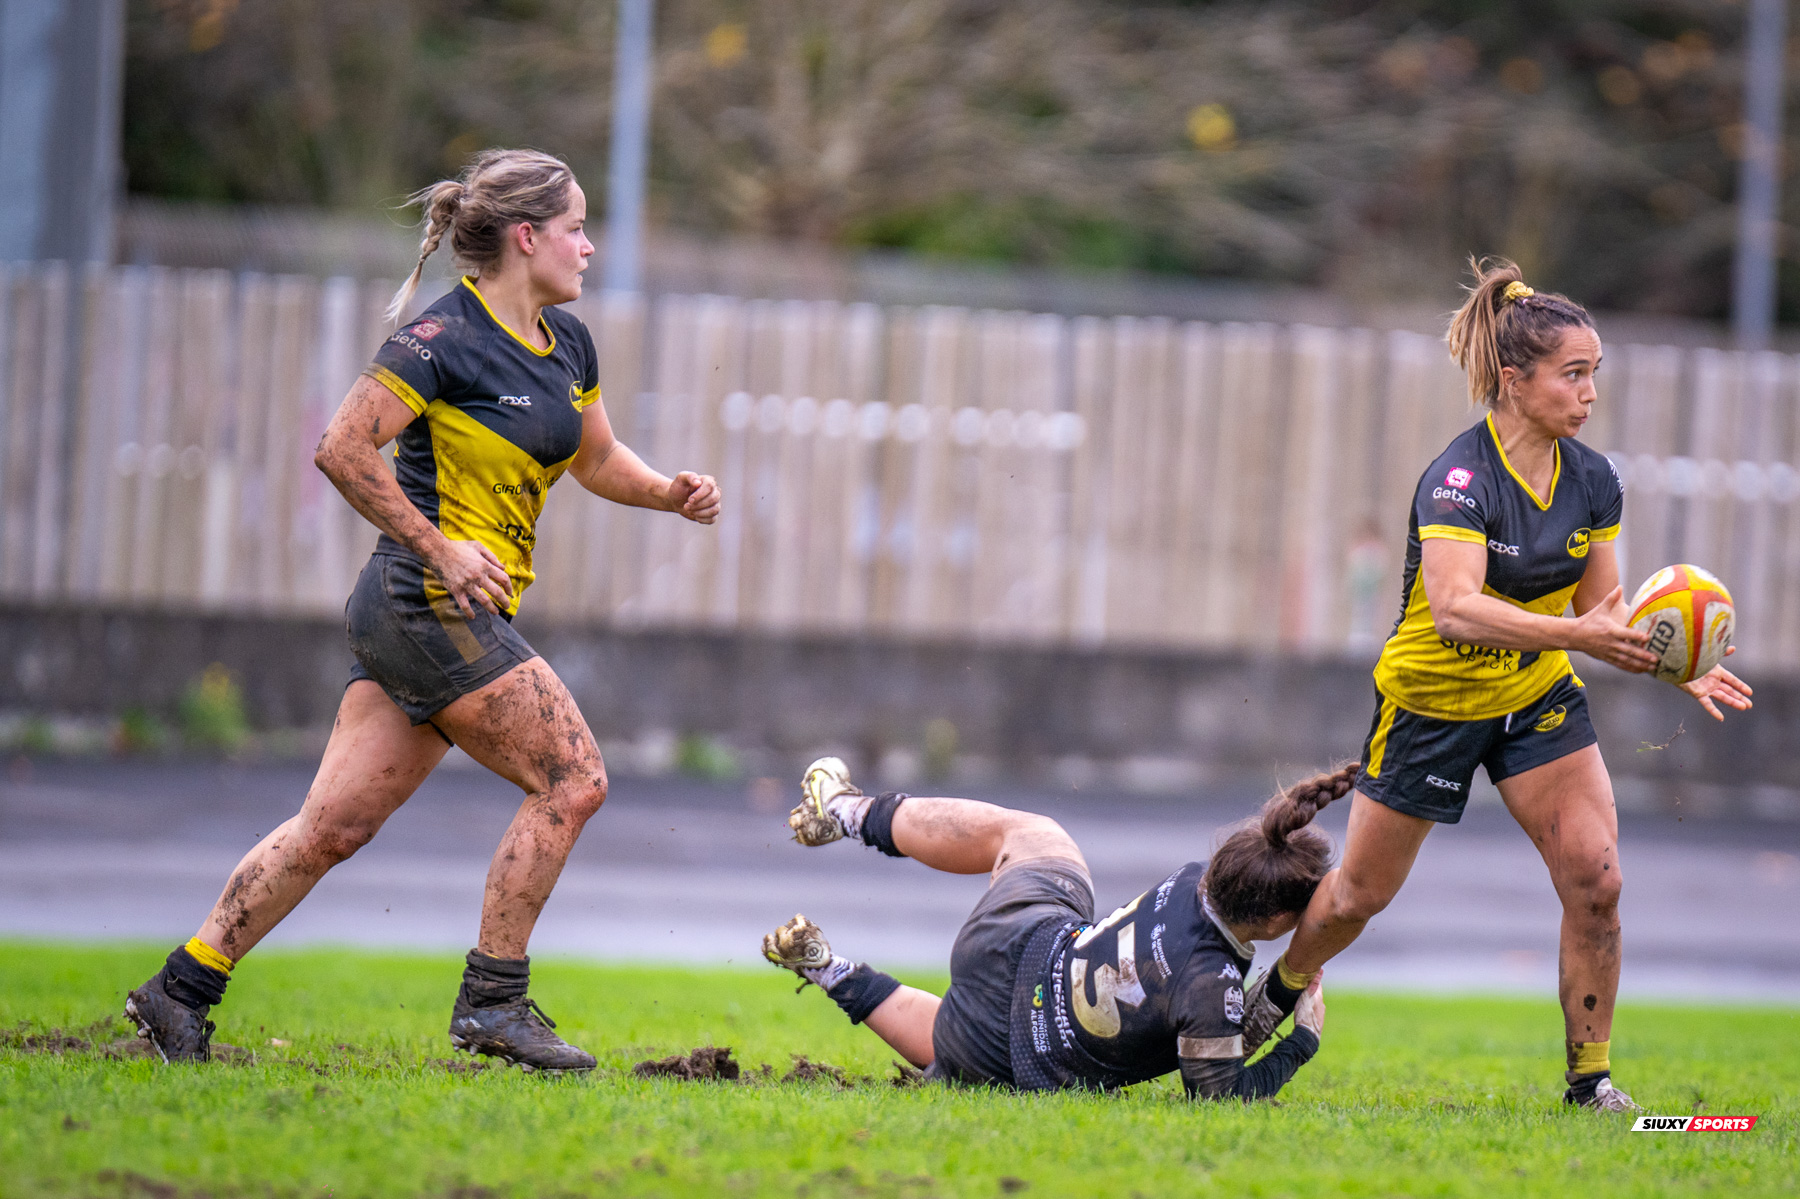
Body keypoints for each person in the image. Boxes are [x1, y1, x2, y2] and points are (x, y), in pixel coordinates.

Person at [124, 149, 722, 1071]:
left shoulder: (569, 345)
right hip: (423, 601)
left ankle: (180, 989)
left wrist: (667, 492)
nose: (590, 248)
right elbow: (341, 446)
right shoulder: (440, 340)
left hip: (426, 614)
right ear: (527, 238)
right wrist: (441, 546)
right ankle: (493, 1001)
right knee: (574, 778)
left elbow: (597, 459)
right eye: (576, 228)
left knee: (332, 827)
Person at [1236, 258, 1753, 1112]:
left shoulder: (1593, 479)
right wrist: (1582, 634)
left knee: (1599, 878)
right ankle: (1283, 986)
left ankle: (1591, 1082)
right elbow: (1456, 611)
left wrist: (1676, 659)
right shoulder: (1459, 479)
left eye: (1596, 374)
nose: (1590, 394)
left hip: (1535, 700)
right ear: (1514, 380)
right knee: (1361, 894)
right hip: (1431, 707)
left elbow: (1605, 610)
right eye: (1574, 374)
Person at [761, 756, 1346, 1098]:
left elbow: (1207, 1019)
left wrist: (1279, 986)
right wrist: (1300, 1042)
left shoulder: (1197, 877)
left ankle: (846, 812)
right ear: (1273, 919)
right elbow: (1217, 1084)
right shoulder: (1210, 983)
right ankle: (825, 968)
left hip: (1013, 939)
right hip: (1020, 1052)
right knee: (953, 1043)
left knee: (1031, 834)